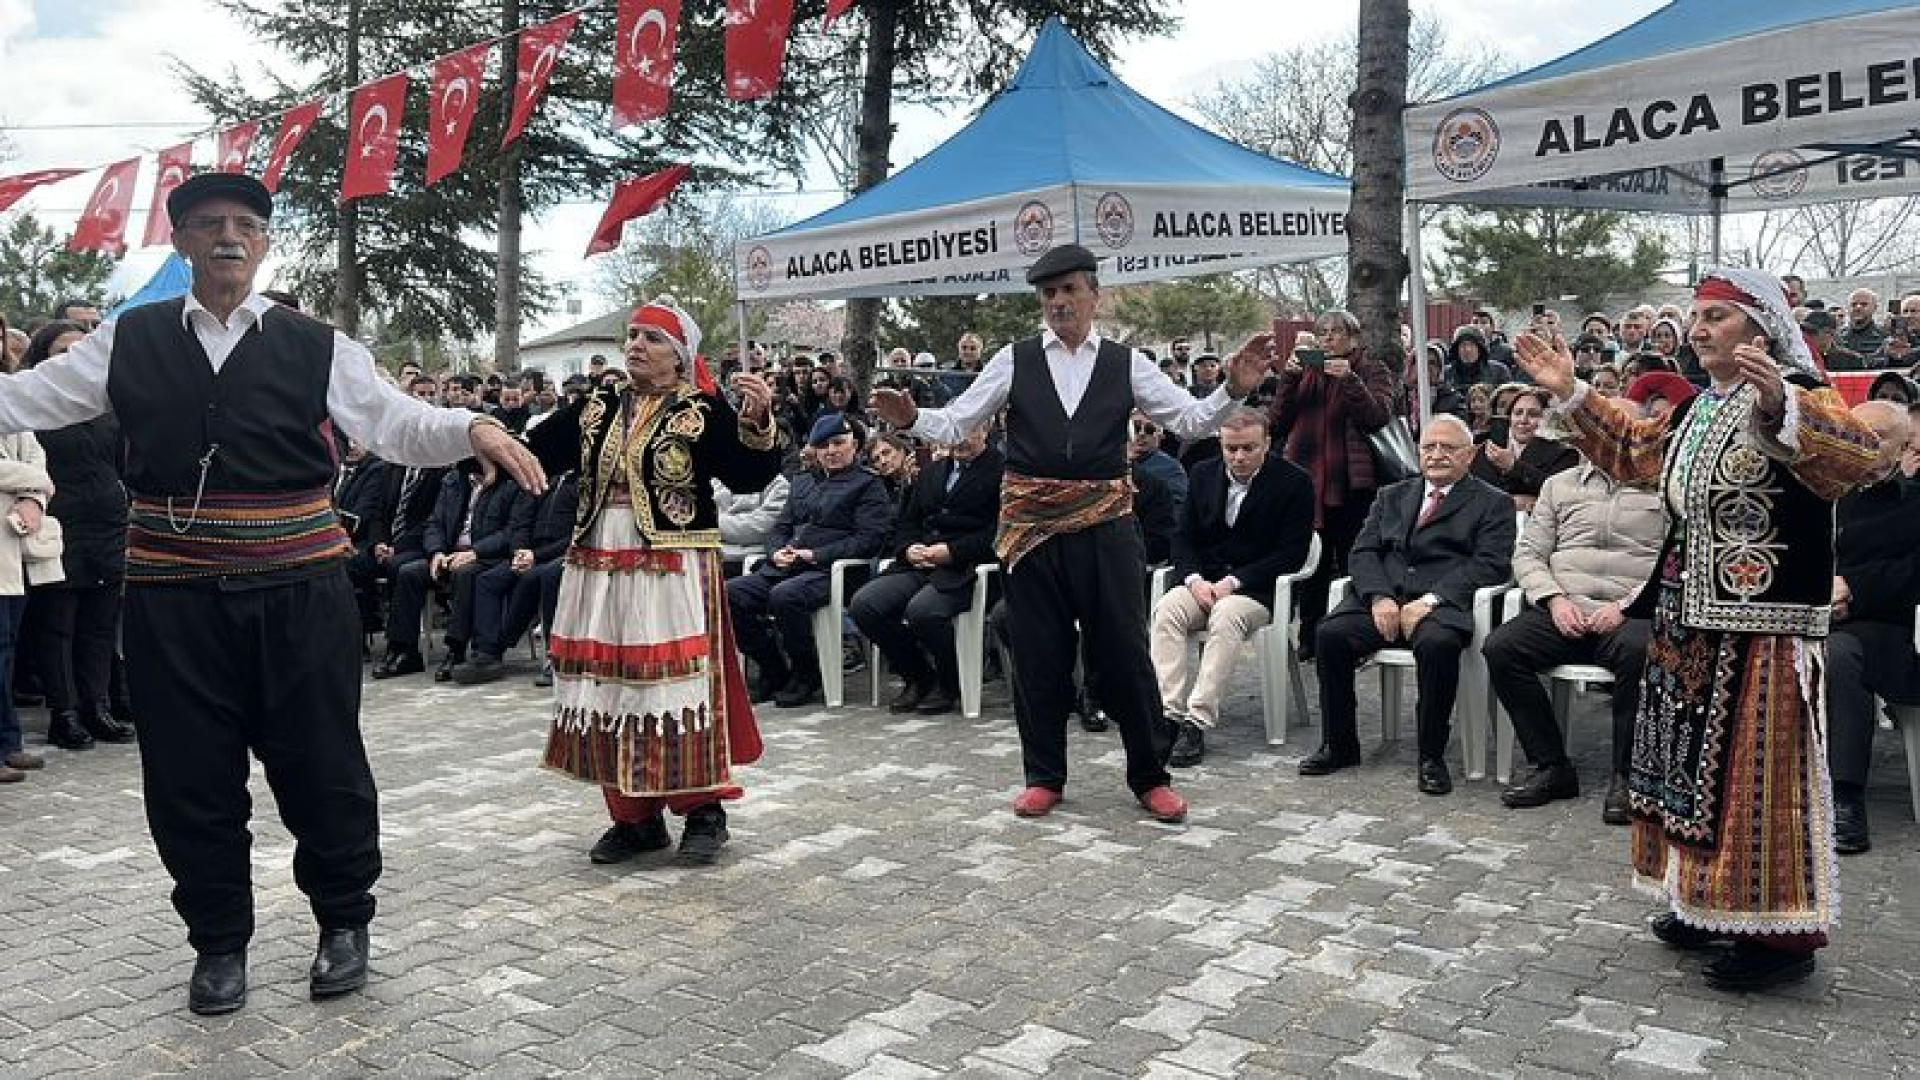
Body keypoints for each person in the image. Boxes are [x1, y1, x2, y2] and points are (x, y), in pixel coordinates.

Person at [0, 172, 544, 1014]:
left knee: (322, 764)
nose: (229, 237)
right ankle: (218, 943)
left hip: (300, 591)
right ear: (180, 242)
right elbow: (22, 399)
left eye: (246, 225)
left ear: (263, 244)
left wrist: (471, 425)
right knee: (187, 778)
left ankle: (343, 922)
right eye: (210, 224)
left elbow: (393, 422)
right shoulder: (127, 340)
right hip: (172, 600)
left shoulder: (314, 342)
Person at [1513, 268, 1882, 993]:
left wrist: (1780, 402)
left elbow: (1858, 461)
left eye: (1716, 316)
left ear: (1760, 330)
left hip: (1763, 628)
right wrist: (1572, 392)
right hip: (1689, 621)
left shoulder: (1804, 395)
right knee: (1683, 777)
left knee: (1755, 781)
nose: (1698, 327)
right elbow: (1635, 454)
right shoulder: (1699, 409)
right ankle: (1705, 902)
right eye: (1696, 316)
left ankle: (1779, 940)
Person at [868, 243, 1265, 823]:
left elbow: (1187, 420)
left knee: (1125, 654)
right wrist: (910, 421)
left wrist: (1232, 388)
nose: (1058, 302)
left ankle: (1151, 775)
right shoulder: (1015, 358)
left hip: (1106, 528)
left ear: (1094, 295)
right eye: (1048, 293)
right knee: (1037, 656)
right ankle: (1044, 776)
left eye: (1069, 290)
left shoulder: (1126, 362)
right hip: (1031, 532)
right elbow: (958, 421)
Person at [524, 299, 780, 867]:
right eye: (633, 335)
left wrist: (759, 422)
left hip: (673, 564)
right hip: (599, 560)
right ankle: (634, 818)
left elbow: (750, 473)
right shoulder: (599, 405)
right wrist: (470, 437)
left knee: (673, 683)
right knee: (609, 683)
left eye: (652, 339)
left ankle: (703, 810)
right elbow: (536, 450)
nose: (636, 345)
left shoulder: (701, 411)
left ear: (680, 357)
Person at [1301, 414, 1516, 795]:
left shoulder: (1492, 503)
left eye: (1448, 448)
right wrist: (1379, 596)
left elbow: (1490, 564)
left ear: (1469, 455)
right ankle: (1339, 745)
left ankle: (1430, 756)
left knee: (1437, 645)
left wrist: (1432, 600)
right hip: (1385, 599)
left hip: (1442, 604)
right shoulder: (1392, 495)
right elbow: (1363, 550)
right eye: (1428, 447)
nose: (1436, 455)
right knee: (1329, 635)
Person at [1483, 459, 1662, 822]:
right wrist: (1554, 599)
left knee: (1639, 653)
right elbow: (1529, 553)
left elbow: (1676, 560)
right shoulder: (1559, 484)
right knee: (1501, 648)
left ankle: (1627, 778)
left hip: (1630, 612)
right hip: (1565, 606)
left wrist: (1627, 605)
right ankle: (1551, 766)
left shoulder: (1663, 485)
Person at [1151, 406, 1313, 766]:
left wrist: (1234, 582)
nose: (1239, 457)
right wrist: (1193, 580)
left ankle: (1197, 721)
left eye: (1249, 448)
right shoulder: (1202, 473)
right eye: (1231, 448)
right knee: (1166, 611)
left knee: (1225, 616)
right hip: (1203, 581)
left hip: (1259, 589)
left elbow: (1292, 553)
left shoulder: (1295, 482)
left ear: (1267, 444)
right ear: (1221, 445)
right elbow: (1183, 537)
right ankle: (1167, 714)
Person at [18, 321, 133, 750]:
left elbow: (125, 463)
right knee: (58, 625)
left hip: (106, 521)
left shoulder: (105, 404)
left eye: (80, 350)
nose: (72, 357)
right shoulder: (32, 406)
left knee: (100, 626)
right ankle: (63, 712)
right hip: (58, 523)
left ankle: (97, 706)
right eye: (62, 350)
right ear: (42, 357)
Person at [726, 413, 893, 708]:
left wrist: (814, 554)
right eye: (823, 445)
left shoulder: (867, 485)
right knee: (730, 594)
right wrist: (775, 550)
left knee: (785, 596)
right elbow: (779, 527)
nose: (831, 451)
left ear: (854, 445)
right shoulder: (802, 482)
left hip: (832, 571)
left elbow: (869, 539)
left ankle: (806, 673)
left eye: (838, 443)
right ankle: (774, 668)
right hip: (787, 566)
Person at [849, 423, 1003, 716]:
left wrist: (953, 552)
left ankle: (949, 682)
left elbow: (1000, 530)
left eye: (969, 430)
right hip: (920, 564)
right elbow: (908, 521)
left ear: (984, 430)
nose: (960, 439)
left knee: (923, 611)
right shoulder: (934, 471)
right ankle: (918, 675)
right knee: (865, 605)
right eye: (955, 432)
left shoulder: (1002, 471)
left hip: (968, 568)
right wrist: (908, 548)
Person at [1268, 310, 1397, 658]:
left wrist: (1349, 379)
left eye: (1336, 332)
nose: (1327, 338)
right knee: (1312, 561)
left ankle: (1355, 637)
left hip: (1352, 483)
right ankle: (1310, 637)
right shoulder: (1305, 370)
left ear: (1354, 338)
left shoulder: (1372, 369)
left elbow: (1377, 416)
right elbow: (1276, 423)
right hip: (1306, 481)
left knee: (1354, 559)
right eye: (1321, 332)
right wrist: (1290, 378)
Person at [1825, 400, 1918, 855]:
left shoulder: (1915, 502)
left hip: (1884, 627)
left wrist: (1855, 588)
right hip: (1808, 615)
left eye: (1877, 436)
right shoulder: (1823, 494)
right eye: (1854, 430)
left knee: (1841, 654)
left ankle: (1846, 797)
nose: (1862, 442)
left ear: (1904, 447)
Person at [0, 424, 59, 783]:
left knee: (7, 651)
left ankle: (8, 742)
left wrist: (34, 499)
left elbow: (37, 452)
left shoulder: (8, 403)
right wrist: (39, 482)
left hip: (12, 550)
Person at [1468, 387, 1579, 511]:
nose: (1523, 420)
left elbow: (1561, 494)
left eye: (1533, 414)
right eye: (1518, 413)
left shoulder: (1565, 454)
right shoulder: (1486, 447)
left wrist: (1514, 467)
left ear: (1548, 420)